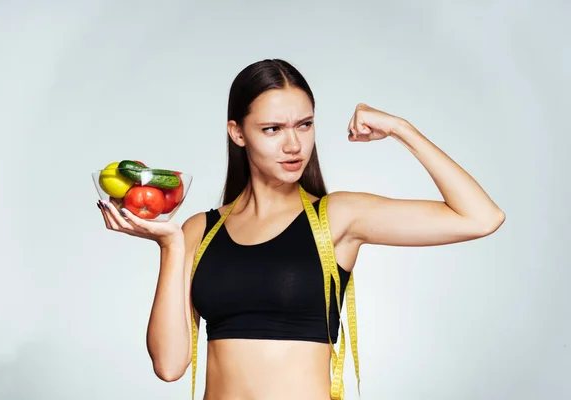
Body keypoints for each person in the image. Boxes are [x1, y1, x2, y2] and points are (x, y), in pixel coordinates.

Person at [96, 58, 506, 400]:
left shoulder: (338, 217)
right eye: (273, 129)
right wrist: (169, 246)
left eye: (304, 125)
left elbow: (481, 217)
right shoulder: (198, 230)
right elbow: (169, 366)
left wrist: (401, 129)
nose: (293, 145)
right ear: (237, 133)